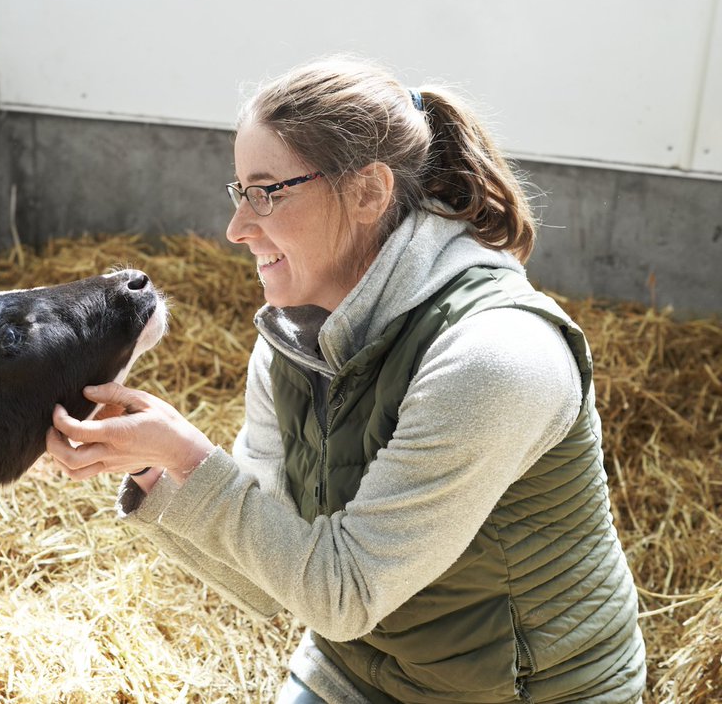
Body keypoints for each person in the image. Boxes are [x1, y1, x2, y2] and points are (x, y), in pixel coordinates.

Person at [45, 57, 646, 703]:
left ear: (368, 192)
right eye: (238, 191)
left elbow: (344, 591)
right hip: (360, 669)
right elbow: (264, 580)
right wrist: (150, 467)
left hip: (527, 692)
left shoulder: (493, 358)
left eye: (267, 191)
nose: (237, 228)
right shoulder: (292, 339)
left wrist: (188, 454)